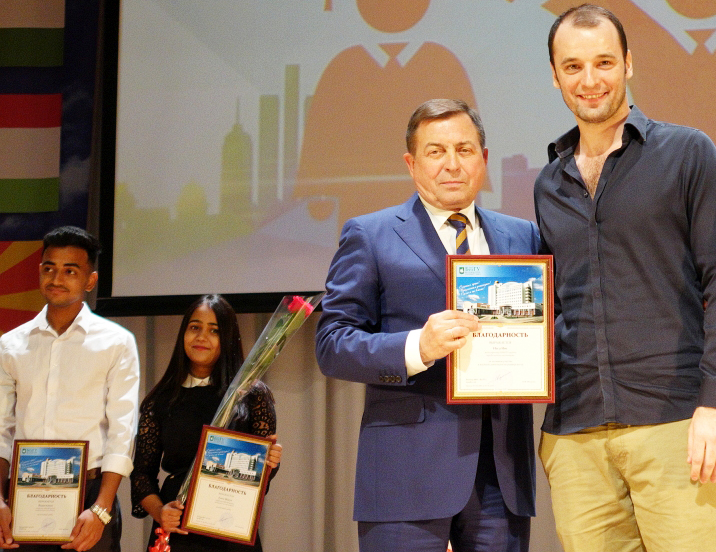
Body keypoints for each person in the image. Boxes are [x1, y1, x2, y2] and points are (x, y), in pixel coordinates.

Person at [533, 4, 716, 552]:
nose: (589, 79)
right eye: (573, 66)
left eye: (604, 62)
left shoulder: (687, 153)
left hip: (675, 422)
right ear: (555, 75)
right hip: (575, 431)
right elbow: (554, 306)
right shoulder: (549, 184)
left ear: (628, 63)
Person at [315, 99, 540, 552]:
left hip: (501, 479)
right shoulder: (371, 234)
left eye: (464, 150)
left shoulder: (523, 236)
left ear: (484, 159)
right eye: (436, 152)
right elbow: (332, 343)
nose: (452, 164)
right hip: (406, 474)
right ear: (411, 164)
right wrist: (418, 347)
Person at [0, 226, 141, 552]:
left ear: (90, 280)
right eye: (49, 268)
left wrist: (102, 508)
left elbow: (122, 430)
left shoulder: (117, 342)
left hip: (90, 497)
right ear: (39, 272)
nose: (57, 278)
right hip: (23, 494)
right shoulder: (11, 345)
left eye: (70, 271)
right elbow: (2, 429)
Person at [130, 294, 282, 551]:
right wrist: (160, 512)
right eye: (194, 327)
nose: (202, 337)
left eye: (214, 331)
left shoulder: (251, 394)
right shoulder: (160, 399)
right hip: (178, 529)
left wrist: (271, 460)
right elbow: (141, 474)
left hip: (231, 528)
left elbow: (261, 477)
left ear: (228, 338)